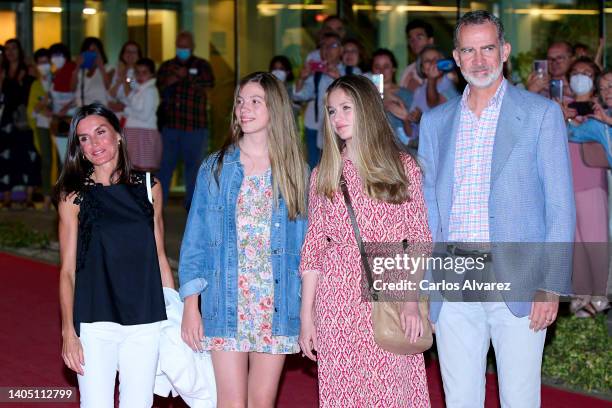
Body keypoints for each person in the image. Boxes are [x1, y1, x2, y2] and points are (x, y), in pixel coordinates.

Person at [418, 11, 575, 407]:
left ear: (504, 50)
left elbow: (560, 207)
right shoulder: (436, 123)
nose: (480, 60)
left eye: (488, 48)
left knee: (520, 399)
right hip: (454, 281)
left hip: (520, 280)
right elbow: (428, 213)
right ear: (456, 57)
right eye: (469, 50)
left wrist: (551, 284)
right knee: (460, 399)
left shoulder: (541, 115)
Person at [299, 75, 431, 407]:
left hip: (388, 288)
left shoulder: (402, 167)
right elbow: (313, 250)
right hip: (335, 299)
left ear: (367, 109)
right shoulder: (324, 173)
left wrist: (411, 301)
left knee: (391, 391)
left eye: (346, 108)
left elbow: (417, 238)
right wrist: (306, 318)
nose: (337, 118)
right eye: (331, 111)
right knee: (343, 393)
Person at [179, 72, 309, 407]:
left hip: (276, 303)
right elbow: (195, 240)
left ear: (275, 109)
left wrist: (309, 311)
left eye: (255, 101)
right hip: (225, 301)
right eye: (240, 101)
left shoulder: (296, 172)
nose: (244, 109)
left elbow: (308, 251)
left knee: (261, 403)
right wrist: (191, 307)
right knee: (231, 403)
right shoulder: (217, 168)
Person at [55, 103, 174, 407]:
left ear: (119, 135)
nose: (94, 144)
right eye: (83, 139)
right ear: (78, 148)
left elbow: (160, 256)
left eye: (100, 132)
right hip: (95, 319)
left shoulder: (151, 187)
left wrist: (172, 317)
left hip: (144, 317)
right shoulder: (73, 196)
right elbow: (67, 270)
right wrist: (68, 331)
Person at [561, 58, 610, 317]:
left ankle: (600, 296)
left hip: (592, 183)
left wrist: (572, 122)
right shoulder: (558, 107)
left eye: (587, 73)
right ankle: (581, 298)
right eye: (576, 72)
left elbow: (589, 133)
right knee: (576, 244)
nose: (581, 76)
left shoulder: (602, 109)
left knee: (595, 242)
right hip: (566, 185)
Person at [157, 31, 215, 209]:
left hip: (195, 127)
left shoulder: (202, 65)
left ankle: (192, 206)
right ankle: (159, 204)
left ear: (192, 47)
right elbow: (158, 85)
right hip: (171, 127)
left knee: (194, 170)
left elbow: (210, 84)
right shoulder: (167, 66)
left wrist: (187, 76)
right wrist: (172, 79)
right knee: (165, 168)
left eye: (186, 47)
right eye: (180, 46)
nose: (183, 50)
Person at [294, 32, 360, 169]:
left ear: (341, 50)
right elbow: (300, 96)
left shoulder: (353, 71)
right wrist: (301, 79)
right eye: (323, 46)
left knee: (347, 163)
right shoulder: (317, 73)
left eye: (333, 45)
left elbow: (361, 96)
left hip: (348, 126)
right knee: (316, 166)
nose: (327, 49)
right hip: (317, 127)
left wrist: (339, 78)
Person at [0, 38, 40, 209]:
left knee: (28, 156)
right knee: (5, 158)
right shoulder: (3, 71)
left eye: (13, 48)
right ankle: (7, 197)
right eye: (7, 49)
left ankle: (28, 197)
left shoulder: (28, 69)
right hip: (7, 120)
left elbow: (39, 87)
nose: (10, 52)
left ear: (19, 51)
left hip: (25, 120)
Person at [116, 58, 161, 172]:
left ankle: (147, 190)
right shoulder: (140, 89)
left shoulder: (150, 90)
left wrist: (125, 109)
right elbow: (130, 99)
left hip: (143, 132)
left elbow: (144, 116)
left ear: (151, 74)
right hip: (134, 131)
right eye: (138, 72)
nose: (140, 76)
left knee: (143, 171)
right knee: (131, 170)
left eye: (144, 72)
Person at [27, 47, 55, 210]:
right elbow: (31, 111)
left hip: (58, 125)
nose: (43, 65)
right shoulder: (36, 84)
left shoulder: (58, 79)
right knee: (46, 161)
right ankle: (46, 197)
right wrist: (40, 106)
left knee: (61, 161)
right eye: (40, 62)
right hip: (42, 125)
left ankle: (61, 196)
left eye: (46, 62)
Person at [370, 48, 416, 146]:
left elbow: (412, 134)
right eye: (377, 66)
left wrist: (405, 119)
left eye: (386, 66)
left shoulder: (407, 95)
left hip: (399, 149)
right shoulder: (367, 95)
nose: (381, 70)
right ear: (372, 70)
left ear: (393, 69)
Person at [49, 42, 77, 163]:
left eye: (59, 54)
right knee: (62, 158)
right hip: (58, 120)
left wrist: (66, 107)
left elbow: (77, 94)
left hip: (70, 118)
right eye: (53, 55)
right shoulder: (56, 74)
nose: (56, 58)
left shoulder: (73, 69)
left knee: (68, 159)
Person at [72, 37, 113, 107]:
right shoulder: (80, 71)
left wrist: (101, 67)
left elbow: (108, 86)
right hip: (82, 107)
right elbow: (72, 88)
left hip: (100, 108)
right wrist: (78, 66)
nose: (91, 55)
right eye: (88, 52)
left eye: (94, 51)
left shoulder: (109, 68)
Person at [108, 40, 143, 114]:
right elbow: (111, 94)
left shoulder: (140, 73)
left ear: (139, 56)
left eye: (134, 52)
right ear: (122, 54)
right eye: (127, 51)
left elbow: (137, 95)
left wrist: (125, 78)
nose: (130, 54)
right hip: (117, 112)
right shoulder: (117, 70)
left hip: (132, 112)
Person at [400, 19, 434, 91]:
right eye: (411, 40)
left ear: (430, 41)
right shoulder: (408, 71)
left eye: (419, 38)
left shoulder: (441, 67)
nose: (415, 42)